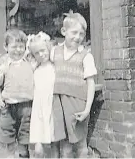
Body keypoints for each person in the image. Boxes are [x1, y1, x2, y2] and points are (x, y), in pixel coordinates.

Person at [50, 11, 97, 158]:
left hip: (78, 107)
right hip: (59, 106)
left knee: (81, 144)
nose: (78, 37)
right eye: (74, 32)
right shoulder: (53, 52)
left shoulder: (86, 56)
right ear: (64, 31)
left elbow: (91, 84)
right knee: (65, 147)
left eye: (81, 34)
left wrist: (87, 109)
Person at [0, 28, 34, 158]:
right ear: (6, 47)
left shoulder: (29, 63)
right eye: (14, 47)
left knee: (24, 136)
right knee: (8, 135)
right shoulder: (4, 66)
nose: (18, 50)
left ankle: (23, 155)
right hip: (9, 107)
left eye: (21, 47)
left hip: (26, 107)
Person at [28, 32, 63, 158]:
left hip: (53, 106)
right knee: (39, 141)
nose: (41, 55)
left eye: (43, 50)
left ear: (48, 48)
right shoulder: (35, 70)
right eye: (37, 53)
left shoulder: (54, 67)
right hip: (39, 108)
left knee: (54, 139)